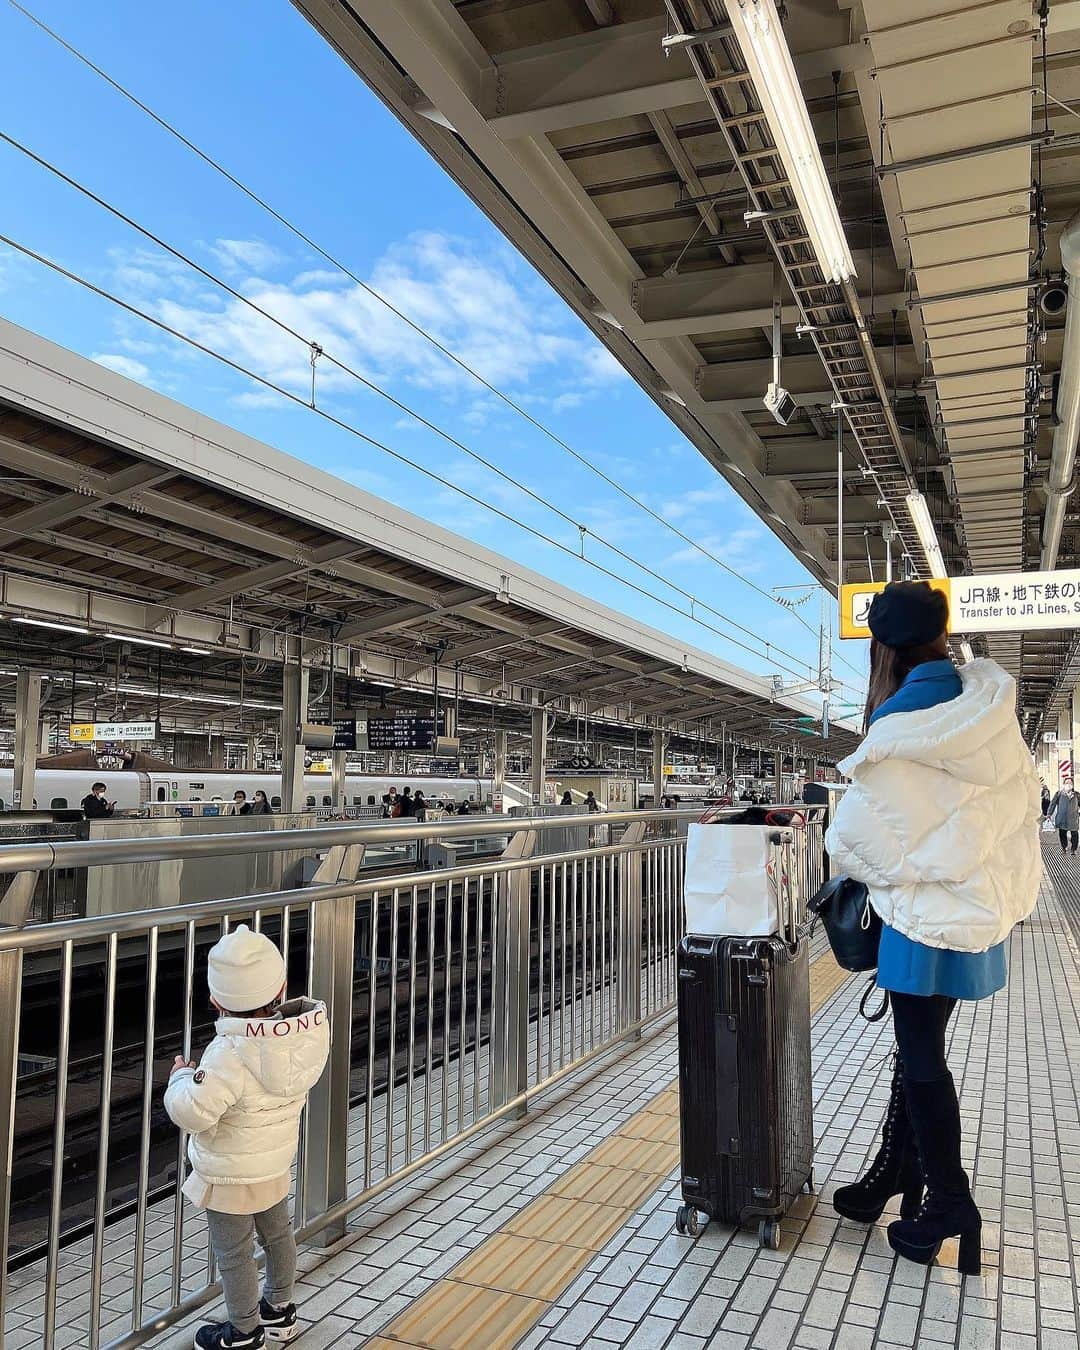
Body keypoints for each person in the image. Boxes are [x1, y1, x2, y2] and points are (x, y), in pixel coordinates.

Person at [826, 582, 1040, 1277]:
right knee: (920, 1051)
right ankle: (896, 1173)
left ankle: (950, 1200)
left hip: (921, 922)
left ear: (884, 647)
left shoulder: (898, 724)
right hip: (975, 910)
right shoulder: (989, 708)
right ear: (942, 634)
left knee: (920, 1059)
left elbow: (856, 840)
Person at [165, 924, 329, 1349]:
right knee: (278, 1236)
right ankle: (280, 1312)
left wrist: (181, 1077)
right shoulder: (303, 1036)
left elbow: (193, 1112)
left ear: (216, 1001)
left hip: (230, 1176)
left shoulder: (226, 1055)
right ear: (282, 989)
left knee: (234, 1253)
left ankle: (242, 1331)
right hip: (272, 1164)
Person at [1047, 780, 1079, 853]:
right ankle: (1064, 847)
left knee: (1074, 834)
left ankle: (1073, 849)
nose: (1068, 784)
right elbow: (1053, 803)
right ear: (1063, 784)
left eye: (1070, 783)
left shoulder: (1076, 794)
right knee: (1062, 834)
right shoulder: (1059, 794)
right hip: (1062, 818)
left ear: (1073, 785)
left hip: (1073, 818)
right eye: (1067, 783)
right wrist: (1049, 813)